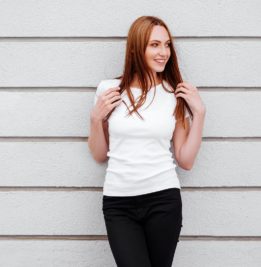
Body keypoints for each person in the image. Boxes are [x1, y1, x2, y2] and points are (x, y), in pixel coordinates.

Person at [88, 16, 206, 267]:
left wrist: (200, 114)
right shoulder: (109, 90)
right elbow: (100, 154)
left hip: (163, 200)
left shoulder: (174, 95)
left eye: (167, 45)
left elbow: (185, 160)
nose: (163, 52)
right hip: (118, 204)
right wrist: (96, 119)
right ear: (136, 47)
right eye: (154, 45)